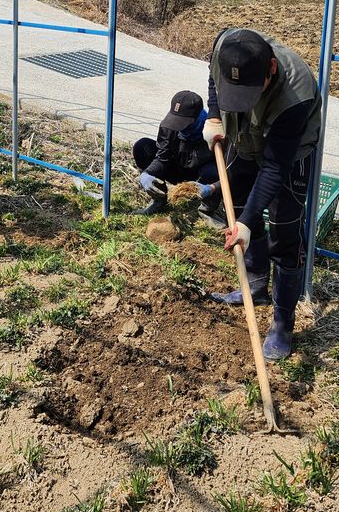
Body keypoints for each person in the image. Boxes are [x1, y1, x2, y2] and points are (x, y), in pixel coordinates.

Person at [202, 28, 321, 361]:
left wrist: (248, 222)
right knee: (240, 205)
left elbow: (274, 168)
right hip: (243, 137)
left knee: (284, 234)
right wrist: (214, 114)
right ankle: (254, 286)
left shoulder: (296, 93)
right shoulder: (224, 47)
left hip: (288, 155)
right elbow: (213, 80)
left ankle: (283, 323)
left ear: (271, 68)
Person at [133, 90, 223, 225]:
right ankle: (159, 200)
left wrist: (212, 187)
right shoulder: (169, 126)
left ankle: (207, 211)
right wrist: (146, 174)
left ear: (197, 118)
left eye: (183, 123)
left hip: (202, 179)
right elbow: (162, 158)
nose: (178, 127)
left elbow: (231, 172)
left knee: (213, 170)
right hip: (178, 169)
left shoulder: (214, 131)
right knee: (142, 147)